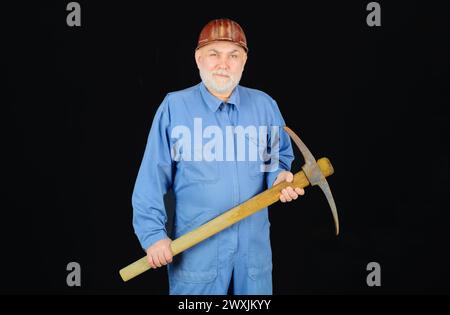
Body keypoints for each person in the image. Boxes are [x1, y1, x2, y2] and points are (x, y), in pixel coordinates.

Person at [132, 18, 304, 295]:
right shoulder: (174, 108)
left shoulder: (264, 106)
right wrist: (153, 236)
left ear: (244, 62)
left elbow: (276, 162)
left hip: (253, 255)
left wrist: (279, 178)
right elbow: (151, 180)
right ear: (198, 59)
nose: (223, 64)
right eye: (214, 54)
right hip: (197, 256)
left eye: (233, 55)